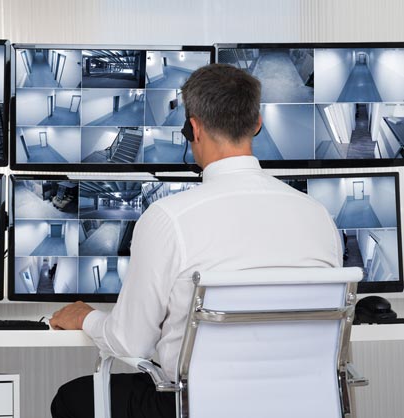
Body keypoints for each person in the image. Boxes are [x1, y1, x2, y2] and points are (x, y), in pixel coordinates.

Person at [49, 63, 343, 418]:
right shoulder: (318, 217)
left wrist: (86, 317)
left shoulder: (168, 218)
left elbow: (131, 344)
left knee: (71, 397)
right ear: (257, 123)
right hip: (298, 406)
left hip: (196, 406)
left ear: (193, 128)